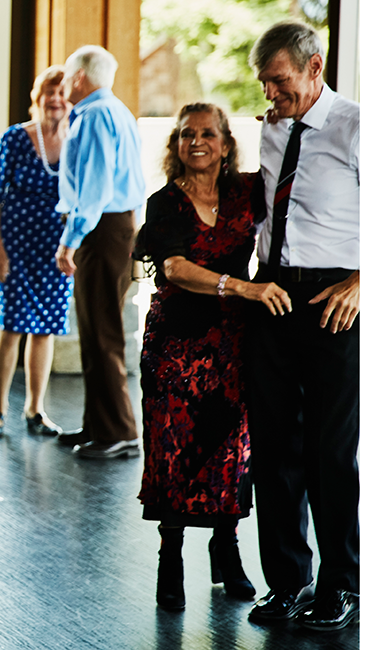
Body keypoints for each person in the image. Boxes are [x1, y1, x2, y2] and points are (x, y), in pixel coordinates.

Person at [133, 103, 293, 611]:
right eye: (185, 134)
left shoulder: (246, 191)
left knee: (232, 449)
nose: (195, 141)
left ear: (226, 142)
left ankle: (227, 550)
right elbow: (175, 269)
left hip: (233, 344)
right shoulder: (165, 204)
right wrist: (242, 288)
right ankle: (171, 558)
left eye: (207, 133)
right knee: (174, 449)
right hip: (176, 346)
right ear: (175, 145)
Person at [244, 21, 360, 631]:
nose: (269, 92)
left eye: (279, 80)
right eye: (264, 82)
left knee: (330, 449)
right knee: (273, 448)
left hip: (332, 295)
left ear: (314, 68)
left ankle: (342, 585)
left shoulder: (355, 125)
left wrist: (361, 282)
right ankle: (287, 581)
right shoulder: (271, 128)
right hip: (272, 293)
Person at [53, 45, 145, 459]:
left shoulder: (93, 116)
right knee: (94, 329)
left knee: (102, 330)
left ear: (80, 77)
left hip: (102, 229)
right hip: (114, 226)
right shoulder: (116, 111)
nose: (65, 82)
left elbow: (94, 188)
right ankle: (99, 425)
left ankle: (118, 432)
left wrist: (70, 239)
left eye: (69, 75)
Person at [0, 65, 73, 438]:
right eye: (49, 92)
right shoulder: (15, 138)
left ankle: (36, 410)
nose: (55, 99)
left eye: (61, 92)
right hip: (17, 246)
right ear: (38, 97)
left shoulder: (77, 139)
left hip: (56, 250)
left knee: (46, 329)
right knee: (11, 326)